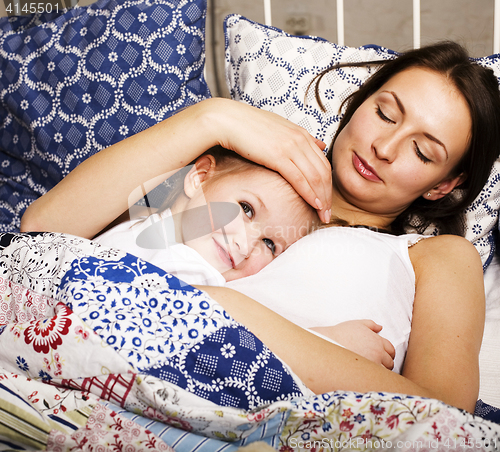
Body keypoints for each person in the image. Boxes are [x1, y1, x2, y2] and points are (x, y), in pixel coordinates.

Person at [20, 41, 500, 413]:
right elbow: (46, 231)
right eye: (385, 113)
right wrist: (214, 118)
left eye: (422, 151)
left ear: (443, 186)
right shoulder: (240, 177)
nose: (386, 147)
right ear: (357, 104)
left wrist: (220, 311)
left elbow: (440, 420)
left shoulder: (437, 256)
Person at [93, 145, 318, 286]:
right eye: (246, 209)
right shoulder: (127, 222)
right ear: (199, 178)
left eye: (269, 244)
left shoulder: (199, 279)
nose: (245, 246)